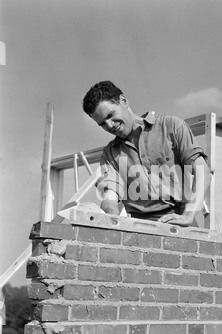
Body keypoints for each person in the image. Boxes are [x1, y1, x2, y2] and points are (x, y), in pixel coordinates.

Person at [82, 81, 211, 227]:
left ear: (123, 101)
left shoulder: (171, 127)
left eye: (111, 115)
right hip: (139, 229)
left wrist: (189, 214)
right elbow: (109, 196)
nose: (110, 125)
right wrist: (112, 218)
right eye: (103, 124)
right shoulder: (110, 153)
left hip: (180, 224)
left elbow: (203, 171)